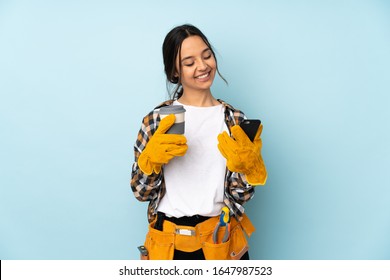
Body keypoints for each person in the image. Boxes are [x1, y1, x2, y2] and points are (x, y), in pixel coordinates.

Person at [131, 24, 267, 260]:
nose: (203, 66)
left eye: (207, 55)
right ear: (175, 72)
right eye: (189, 62)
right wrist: (149, 162)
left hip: (220, 239)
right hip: (168, 244)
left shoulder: (234, 120)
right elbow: (141, 192)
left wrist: (247, 169)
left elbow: (241, 196)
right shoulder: (158, 120)